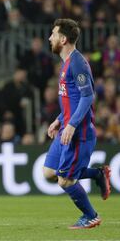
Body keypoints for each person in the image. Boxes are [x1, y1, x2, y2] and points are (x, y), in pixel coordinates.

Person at [43, 18, 111, 229]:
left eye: (53, 34)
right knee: (49, 173)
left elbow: (87, 97)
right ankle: (97, 174)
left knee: (64, 180)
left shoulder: (78, 63)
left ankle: (91, 216)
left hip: (78, 132)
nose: (49, 38)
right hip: (67, 126)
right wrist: (59, 120)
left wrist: (71, 125)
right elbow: (72, 101)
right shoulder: (67, 63)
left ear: (63, 39)